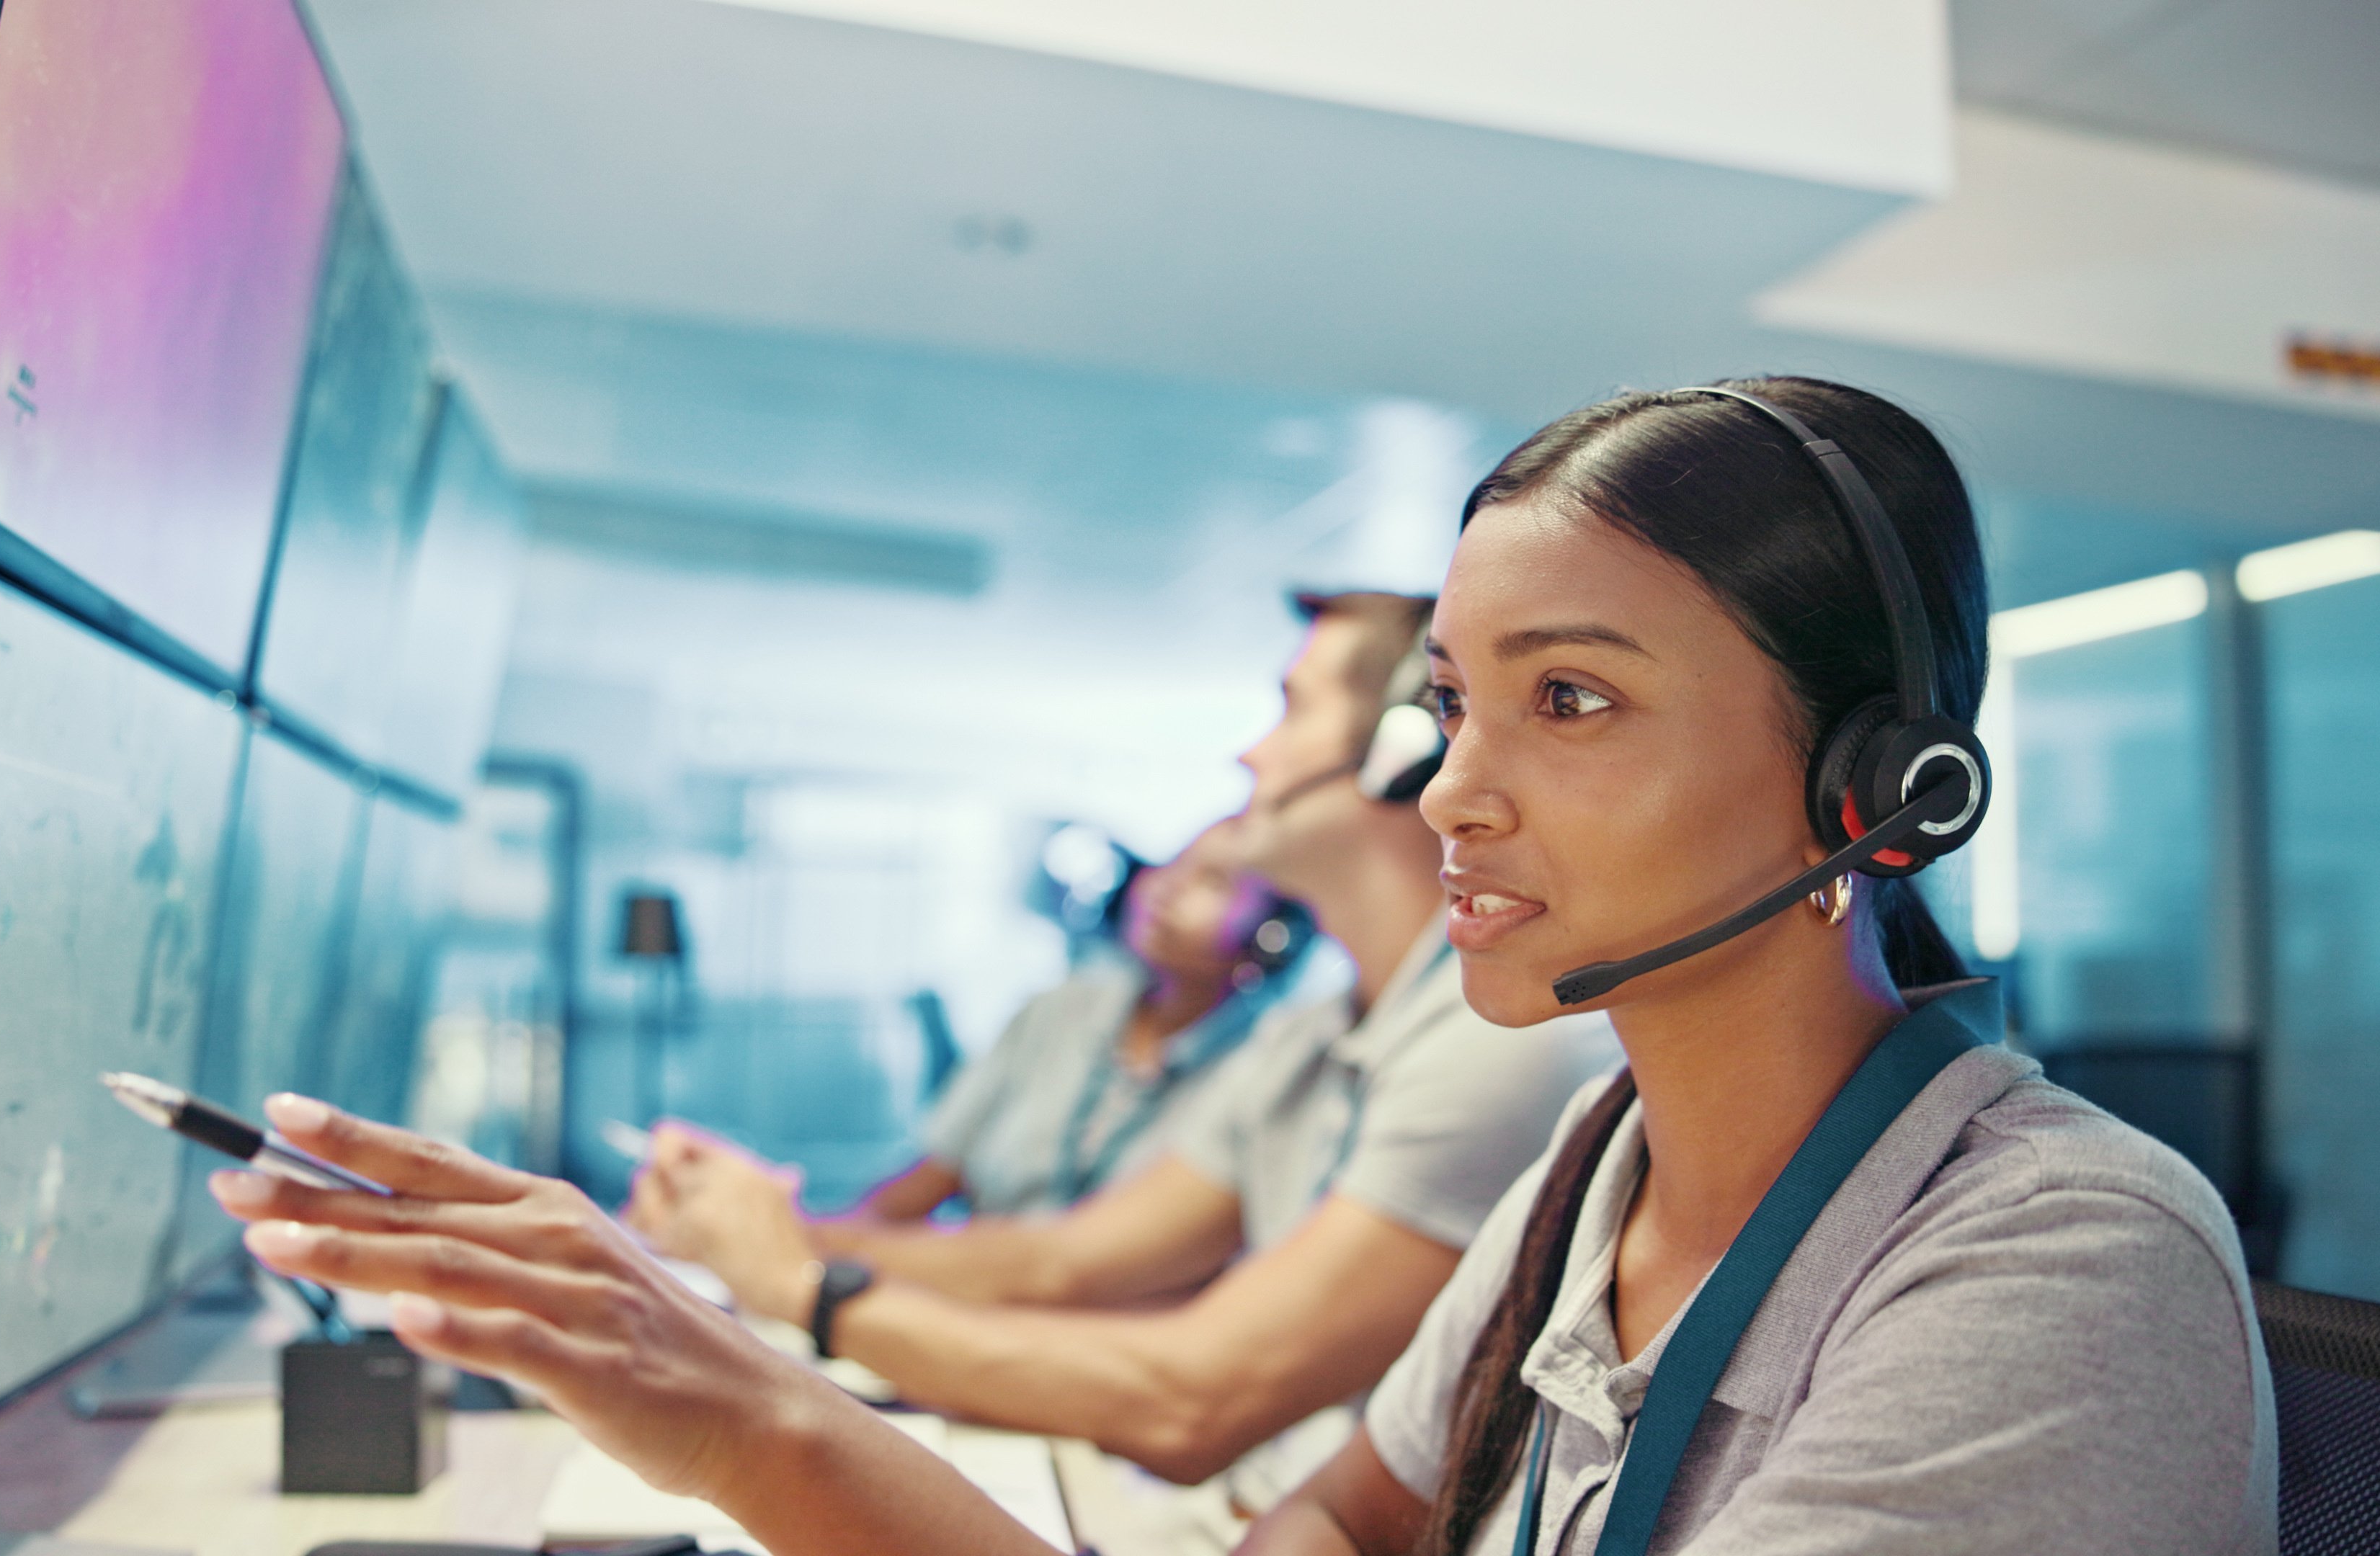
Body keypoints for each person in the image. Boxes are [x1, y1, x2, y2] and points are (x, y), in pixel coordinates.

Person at [208, 377, 2270, 1555]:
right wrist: (737, 1413)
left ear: (1869, 787)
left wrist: (778, 1377)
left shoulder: (2057, 1262)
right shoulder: (1589, 1193)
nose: (1450, 793)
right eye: (1452, 707)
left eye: (1569, 704)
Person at [622, 592, 1615, 1523]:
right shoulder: (1309, 1039)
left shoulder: (1497, 1047)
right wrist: (757, 1232)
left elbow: (1195, 1398)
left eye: (1289, 710)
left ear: (1402, 749)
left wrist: (803, 1288)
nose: (1249, 754)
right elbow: (1058, 1261)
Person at [847, 815, 1301, 1226]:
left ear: (1271, 938)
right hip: (979, 1284)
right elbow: (927, 1180)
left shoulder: (1266, 1065)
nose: (1167, 888)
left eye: (1214, 882)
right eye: (1172, 864)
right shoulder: (1056, 1011)